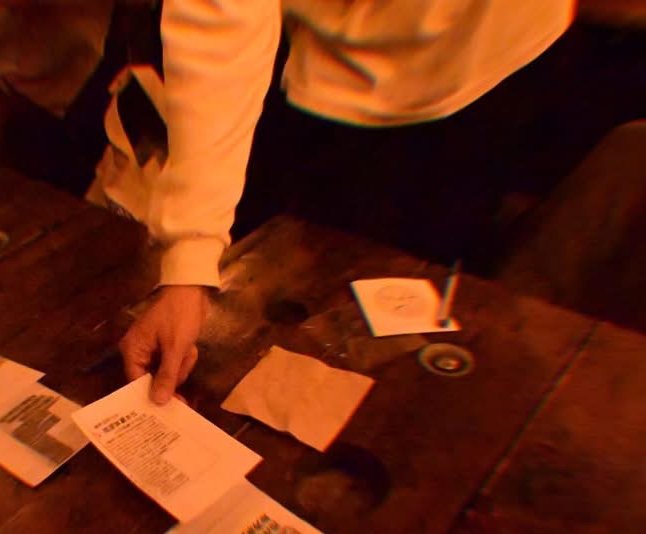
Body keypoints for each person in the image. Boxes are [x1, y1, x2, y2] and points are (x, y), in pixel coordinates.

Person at [118, 0, 576, 404]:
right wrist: (189, 263)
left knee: (418, 314)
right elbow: (220, 33)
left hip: (489, 62)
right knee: (271, 279)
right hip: (321, 69)